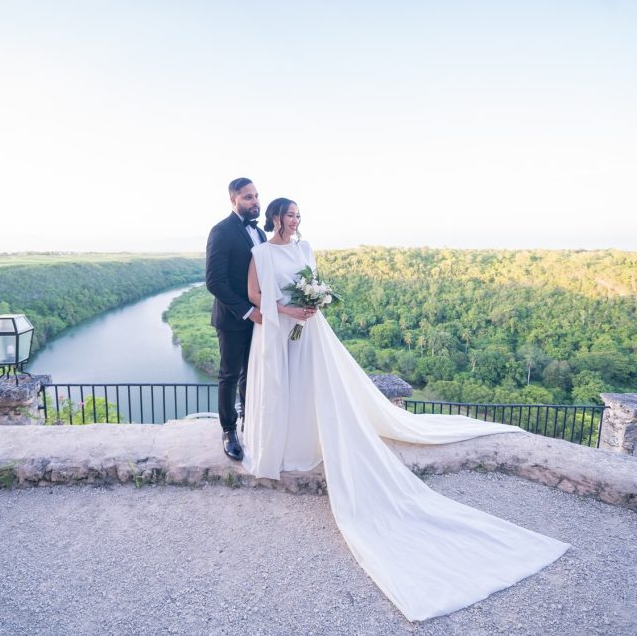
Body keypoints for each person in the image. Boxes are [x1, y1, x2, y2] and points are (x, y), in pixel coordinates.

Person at [243, 197, 570, 622]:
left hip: (309, 330)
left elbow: (314, 283)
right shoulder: (261, 253)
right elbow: (254, 295)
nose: (296, 220)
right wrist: (288, 310)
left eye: (299, 215)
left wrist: (313, 305)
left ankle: (307, 443)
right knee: (281, 389)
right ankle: (283, 446)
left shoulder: (306, 249)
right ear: (275, 217)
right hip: (279, 329)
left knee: (310, 388)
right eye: (290, 214)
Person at [205, 178, 266, 461]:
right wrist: (247, 311)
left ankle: (248, 423)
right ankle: (229, 430)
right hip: (232, 319)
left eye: (256, 196)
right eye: (248, 197)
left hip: (259, 318)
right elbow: (215, 282)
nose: (255, 201)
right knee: (229, 376)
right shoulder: (221, 231)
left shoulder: (260, 233)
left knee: (251, 373)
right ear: (234, 200)